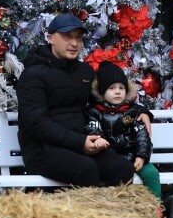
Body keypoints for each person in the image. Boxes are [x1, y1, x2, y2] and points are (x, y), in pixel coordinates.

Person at [15, 13, 136, 188]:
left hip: (80, 144)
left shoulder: (84, 72)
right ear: (50, 38)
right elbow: (36, 123)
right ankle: (82, 215)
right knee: (85, 169)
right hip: (43, 149)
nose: (74, 44)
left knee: (121, 168)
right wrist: (79, 143)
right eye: (67, 37)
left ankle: (111, 213)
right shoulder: (33, 75)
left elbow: (105, 101)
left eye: (78, 38)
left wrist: (142, 113)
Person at [87, 61, 162, 200]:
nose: (117, 91)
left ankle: (156, 207)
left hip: (133, 158)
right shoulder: (95, 112)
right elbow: (92, 126)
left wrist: (141, 156)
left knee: (151, 173)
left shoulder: (133, 112)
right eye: (112, 88)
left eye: (121, 88)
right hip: (110, 161)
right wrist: (97, 138)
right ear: (102, 92)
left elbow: (142, 135)